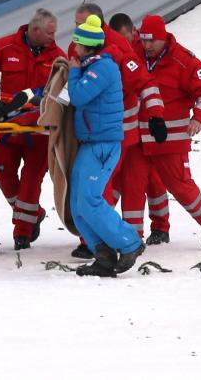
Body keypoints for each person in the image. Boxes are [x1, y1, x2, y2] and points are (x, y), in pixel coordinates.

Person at [68, 15, 145, 278]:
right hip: (92, 142)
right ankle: (102, 253)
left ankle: (130, 242)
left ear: (87, 46)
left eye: (77, 43)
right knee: (77, 204)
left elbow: (77, 96)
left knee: (89, 199)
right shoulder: (91, 65)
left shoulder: (103, 68)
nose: (73, 47)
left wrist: (73, 70)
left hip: (102, 144)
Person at [136, 15, 201, 248]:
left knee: (180, 186)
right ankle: (159, 230)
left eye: (152, 41)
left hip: (171, 140)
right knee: (149, 185)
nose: (147, 46)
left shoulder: (185, 62)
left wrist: (198, 119)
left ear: (164, 38)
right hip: (140, 137)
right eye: (144, 41)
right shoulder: (136, 55)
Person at [0, 8, 66, 250]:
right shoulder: (3, 48)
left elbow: (64, 92)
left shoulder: (58, 57)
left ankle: (22, 233)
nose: (54, 37)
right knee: (0, 171)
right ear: (35, 30)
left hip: (38, 132)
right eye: (50, 33)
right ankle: (33, 214)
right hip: (7, 128)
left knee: (31, 181)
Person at [109, 12, 171, 245]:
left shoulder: (146, 46)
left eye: (127, 38)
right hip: (130, 128)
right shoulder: (117, 52)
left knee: (154, 181)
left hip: (150, 124)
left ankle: (160, 227)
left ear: (133, 32)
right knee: (122, 181)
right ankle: (119, 230)